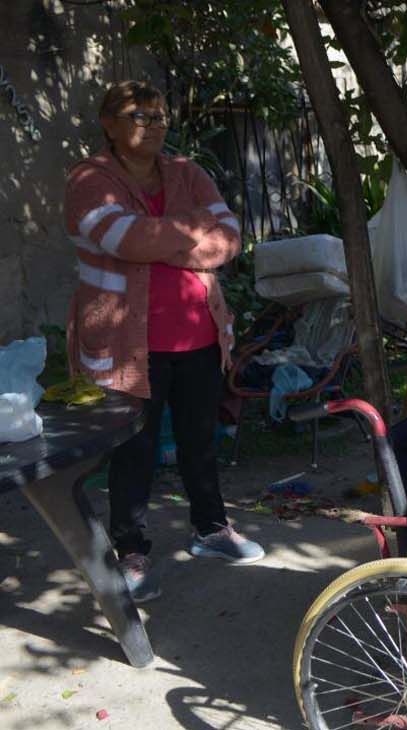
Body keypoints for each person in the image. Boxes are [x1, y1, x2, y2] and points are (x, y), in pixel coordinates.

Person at [63, 80, 264, 603]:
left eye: (158, 115)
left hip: (198, 334)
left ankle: (210, 529)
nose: (152, 124)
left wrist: (157, 238)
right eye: (138, 114)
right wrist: (188, 231)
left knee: (201, 439)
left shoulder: (186, 172)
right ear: (108, 123)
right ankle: (130, 550)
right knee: (135, 448)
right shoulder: (89, 180)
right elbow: (123, 239)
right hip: (129, 343)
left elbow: (228, 237)